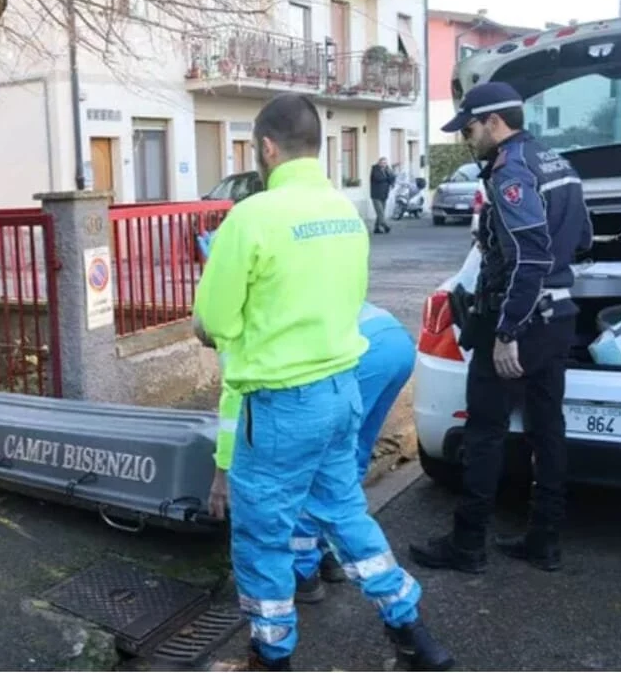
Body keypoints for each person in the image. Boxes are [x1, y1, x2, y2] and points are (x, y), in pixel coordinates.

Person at [192, 93, 451, 672]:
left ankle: (271, 654)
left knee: (262, 537)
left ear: (266, 147)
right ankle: (413, 632)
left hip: (280, 408)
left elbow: (215, 323)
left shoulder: (251, 216)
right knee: (345, 515)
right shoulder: (346, 213)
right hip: (341, 395)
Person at [410, 82, 592, 574]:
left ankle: (468, 546)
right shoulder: (557, 161)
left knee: (486, 432)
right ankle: (544, 541)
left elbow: (530, 252)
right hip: (560, 318)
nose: (468, 139)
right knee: (547, 430)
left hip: (519, 322)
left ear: (493, 122)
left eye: (469, 129)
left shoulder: (511, 170)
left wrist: (509, 329)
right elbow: (584, 239)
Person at [204, 302, 417, 605]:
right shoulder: (269, 303)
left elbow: (234, 407)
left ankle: (303, 572)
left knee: (309, 466)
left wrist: (222, 471)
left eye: (207, 342)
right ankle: (331, 553)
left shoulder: (235, 337)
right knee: (346, 456)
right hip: (396, 342)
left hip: (362, 351)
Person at [369, 157, 395, 234]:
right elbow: (378, 178)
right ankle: (385, 225)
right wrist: (388, 176)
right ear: (379, 163)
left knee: (381, 212)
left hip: (384, 194)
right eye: (382, 163)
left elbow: (392, 178)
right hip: (376, 195)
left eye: (385, 163)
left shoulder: (387, 170)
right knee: (380, 212)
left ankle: (376, 228)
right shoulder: (375, 169)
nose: (384, 164)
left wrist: (390, 176)